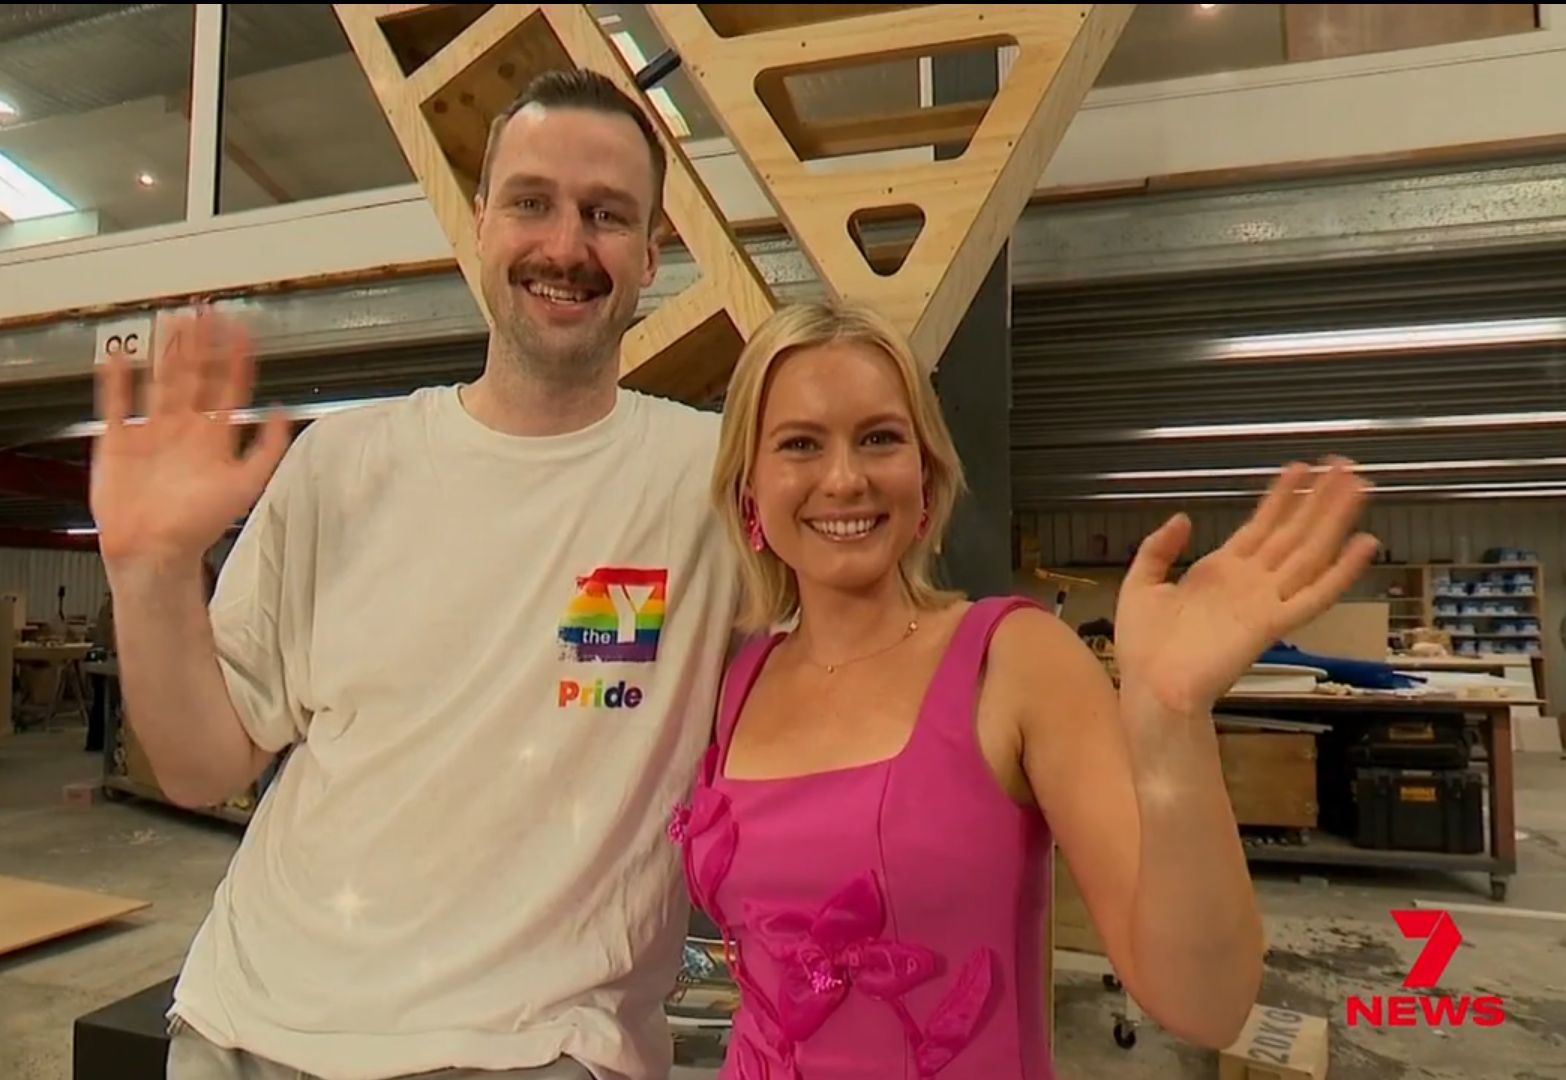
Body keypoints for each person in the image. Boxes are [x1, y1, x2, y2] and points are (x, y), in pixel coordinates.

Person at [90, 69, 741, 1080]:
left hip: (535, 1050)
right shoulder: (343, 463)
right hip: (249, 1028)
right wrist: (152, 573)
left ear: (653, 253)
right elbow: (202, 768)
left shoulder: (712, 482)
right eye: (531, 202)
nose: (565, 246)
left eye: (606, 214)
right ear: (479, 223)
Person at [671, 301, 1379, 1079]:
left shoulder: (1015, 661)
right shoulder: (738, 679)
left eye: (879, 438)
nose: (844, 479)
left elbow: (1206, 1005)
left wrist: (1172, 719)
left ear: (926, 478)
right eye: (800, 444)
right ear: (750, 492)